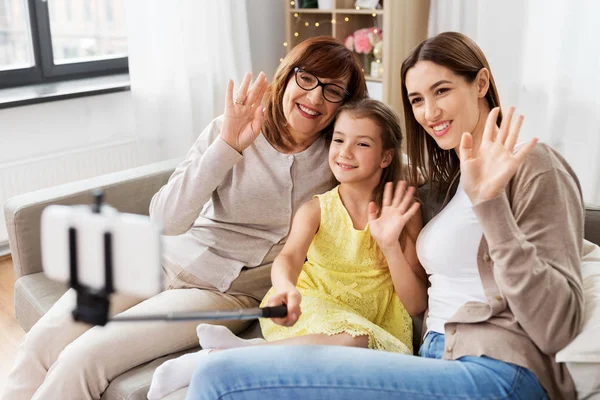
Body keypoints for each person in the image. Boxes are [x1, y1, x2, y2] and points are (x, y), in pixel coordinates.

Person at [185, 32, 585, 400]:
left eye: (441, 90)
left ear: (480, 84)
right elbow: (371, 167)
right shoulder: (444, 184)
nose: (429, 112)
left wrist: (491, 203)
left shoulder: (533, 166)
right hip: (429, 360)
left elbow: (557, 326)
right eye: (416, 100)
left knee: (215, 379)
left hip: (496, 368)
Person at [2, 36, 367, 400]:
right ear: (287, 77)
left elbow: (381, 159)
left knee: (84, 357)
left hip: (226, 291)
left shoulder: (339, 157)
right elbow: (166, 220)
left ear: (343, 104)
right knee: (44, 340)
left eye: (333, 90)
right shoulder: (233, 127)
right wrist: (227, 147)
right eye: (307, 79)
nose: (316, 97)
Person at [146, 99, 427, 399]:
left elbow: (415, 305)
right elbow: (289, 258)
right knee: (353, 339)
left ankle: (243, 351)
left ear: (386, 157)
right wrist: (284, 287)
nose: (345, 152)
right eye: (339, 140)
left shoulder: (403, 212)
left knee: (356, 343)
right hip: (313, 306)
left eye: (362, 144)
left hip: (376, 321)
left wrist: (389, 246)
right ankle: (213, 361)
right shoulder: (316, 209)